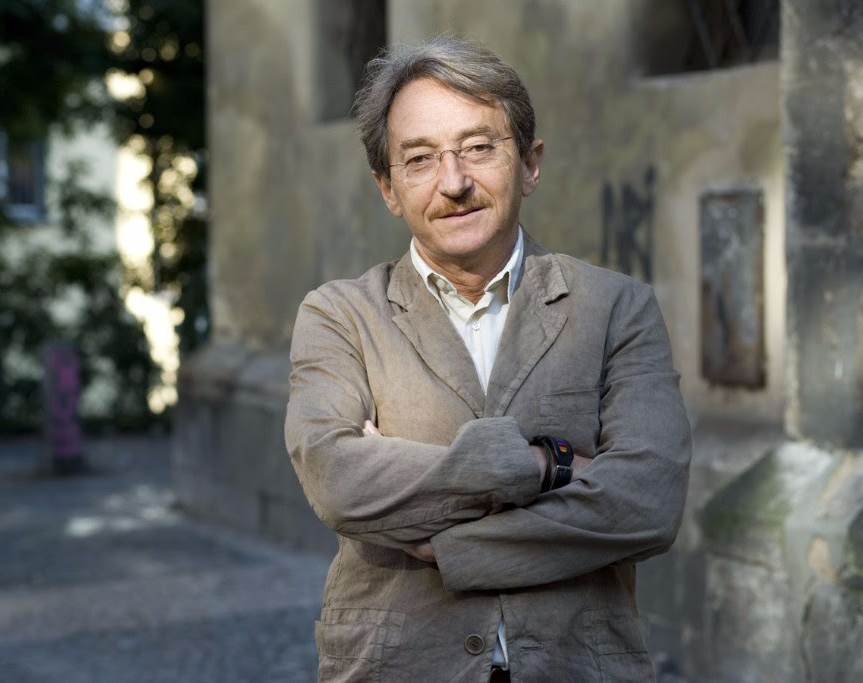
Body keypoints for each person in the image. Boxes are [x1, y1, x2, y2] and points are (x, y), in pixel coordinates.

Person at [285, 36, 691, 682]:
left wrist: (450, 545)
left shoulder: (616, 307)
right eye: (420, 159)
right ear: (388, 188)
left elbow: (647, 503)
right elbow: (336, 478)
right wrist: (546, 463)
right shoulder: (341, 316)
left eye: (478, 147)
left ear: (529, 164)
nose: (453, 182)